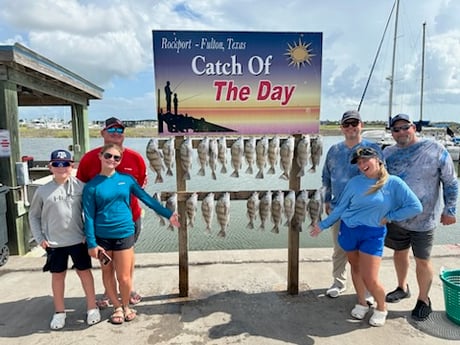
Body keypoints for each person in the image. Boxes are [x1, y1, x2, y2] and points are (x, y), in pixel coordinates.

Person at [311, 146, 422, 327]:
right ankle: (361, 302)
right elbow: (340, 208)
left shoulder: (394, 183)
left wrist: (391, 216)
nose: (362, 165)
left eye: (365, 160)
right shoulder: (354, 182)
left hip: (373, 234)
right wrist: (323, 225)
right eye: (359, 162)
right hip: (348, 230)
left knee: (371, 277)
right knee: (355, 268)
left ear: (378, 159)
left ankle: (381, 307)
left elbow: (415, 206)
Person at [82, 143, 180, 324]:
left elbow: (147, 199)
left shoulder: (127, 180)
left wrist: (169, 214)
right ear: (100, 156)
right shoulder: (91, 186)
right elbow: (88, 216)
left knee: (124, 277)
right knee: (107, 274)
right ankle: (117, 307)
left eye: (116, 158)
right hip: (102, 236)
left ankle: (126, 304)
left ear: (119, 161)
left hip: (124, 233)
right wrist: (91, 243)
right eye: (108, 156)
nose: (112, 160)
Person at [383, 113, 458, 321]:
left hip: (425, 219)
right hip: (397, 217)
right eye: (395, 129)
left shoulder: (435, 149)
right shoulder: (388, 153)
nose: (400, 132)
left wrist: (450, 209)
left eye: (404, 127)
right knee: (399, 253)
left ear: (413, 127)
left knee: (422, 260)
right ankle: (402, 286)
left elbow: (450, 182)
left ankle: (424, 299)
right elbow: (381, 184)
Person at [77, 116, 147, 307]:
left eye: (120, 131)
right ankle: (110, 294)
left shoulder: (136, 158)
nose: (116, 134)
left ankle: (128, 289)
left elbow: (139, 187)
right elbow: (81, 193)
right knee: (106, 262)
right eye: (112, 130)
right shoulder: (88, 159)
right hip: (101, 223)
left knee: (127, 258)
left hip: (130, 218)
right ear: (102, 133)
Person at [28, 149, 101, 330]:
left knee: (85, 273)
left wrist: (89, 236)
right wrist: (40, 238)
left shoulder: (81, 187)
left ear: (72, 166)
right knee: (58, 276)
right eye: (57, 164)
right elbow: (34, 216)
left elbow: (92, 212)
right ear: (50, 167)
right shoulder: (42, 191)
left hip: (78, 240)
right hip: (54, 243)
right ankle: (59, 312)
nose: (62, 168)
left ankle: (92, 307)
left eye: (66, 164)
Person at [321, 110, 382, 298]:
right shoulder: (334, 150)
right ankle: (338, 282)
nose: (350, 128)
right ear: (341, 128)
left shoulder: (374, 148)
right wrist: (326, 200)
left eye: (354, 123)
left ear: (361, 125)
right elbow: (326, 177)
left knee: (366, 251)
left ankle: (368, 286)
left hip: (367, 210)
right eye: (346, 124)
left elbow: (383, 177)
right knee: (339, 249)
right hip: (339, 208)